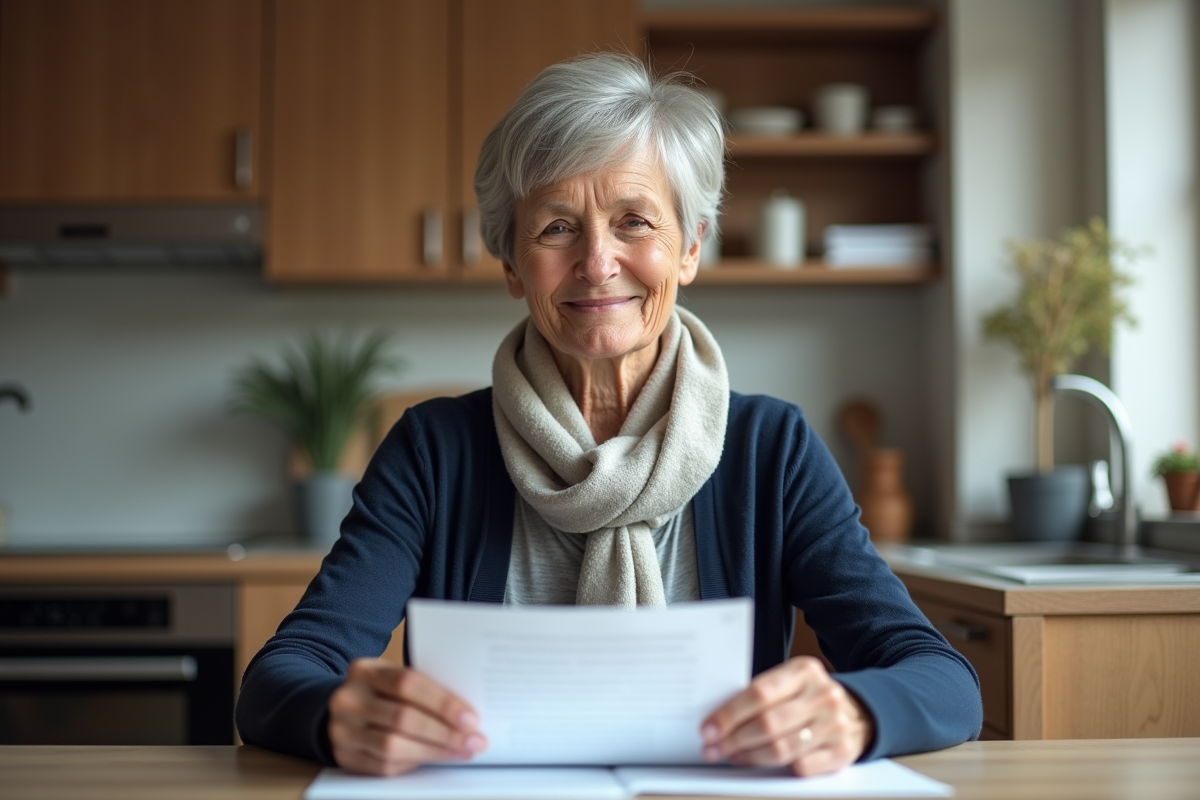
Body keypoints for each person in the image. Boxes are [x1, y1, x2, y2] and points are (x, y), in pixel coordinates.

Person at [236, 52, 982, 778]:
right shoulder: (435, 451)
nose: (598, 263)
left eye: (635, 221)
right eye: (556, 228)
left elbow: (943, 681)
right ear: (509, 263)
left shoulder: (772, 448)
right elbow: (280, 679)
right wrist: (336, 713)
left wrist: (854, 711)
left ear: (690, 247)